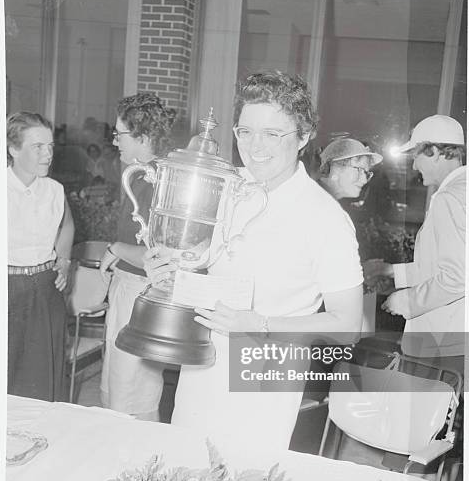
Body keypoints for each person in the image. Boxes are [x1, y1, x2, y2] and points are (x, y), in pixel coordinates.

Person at [144, 71, 363, 455]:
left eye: (273, 134)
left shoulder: (326, 218)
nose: (254, 147)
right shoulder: (230, 186)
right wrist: (169, 269)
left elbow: (346, 325)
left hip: (264, 376)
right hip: (201, 364)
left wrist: (259, 325)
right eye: (245, 132)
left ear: (304, 136)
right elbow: (208, 265)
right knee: (185, 472)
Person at [99, 92, 176, 421]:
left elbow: (161, 255)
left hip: (140, 296)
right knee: (118, 389)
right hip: (128, 289)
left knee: (131, 398)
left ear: (142, 137)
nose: (115, 141)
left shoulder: (154, 179)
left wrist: (115, 249)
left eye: (120, 133)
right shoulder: (141, 174)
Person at [364, 114, 465, 362]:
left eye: (416, 156)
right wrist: (390, 271)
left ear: (434, 151)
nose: (414, 167)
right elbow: (443, 266)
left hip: (445, 344)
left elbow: (457, 277)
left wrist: (405, 301)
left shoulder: (449, 198)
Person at [7, 112, 74, 401]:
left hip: (45, 291)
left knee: (42, 383)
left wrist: (64, 260)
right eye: (38, 147)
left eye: (50, 146)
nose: (48, 154)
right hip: (6, 290)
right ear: (13, 149)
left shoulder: (54, 190)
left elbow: (67, 225)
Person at [317, 137, 383, 200]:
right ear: (335, 168)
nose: (364, 181)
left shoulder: (328, 202)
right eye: (359, 170)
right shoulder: (314, 199)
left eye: (366, 173)